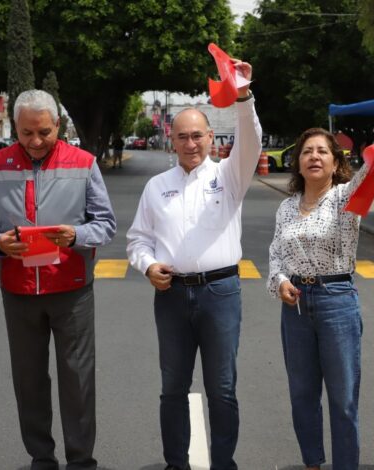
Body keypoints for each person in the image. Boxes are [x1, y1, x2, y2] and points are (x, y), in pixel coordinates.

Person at [126, 58, 260, 470]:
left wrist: (242, 95)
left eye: (197, 135)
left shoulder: (229, 176)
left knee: (222, 389)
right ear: (172, 140)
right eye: (182, 137)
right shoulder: (156, 187)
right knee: (172, 388)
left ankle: (224, 463)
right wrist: (148, 265)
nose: (190, 144)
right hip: (172, 295)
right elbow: (137, 239)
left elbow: (251, 140)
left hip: (221, 293)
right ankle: (175, 464)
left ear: (210, 138)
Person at [0, 89, 116, 470]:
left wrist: (76, 236)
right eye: (25, 133)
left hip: (71, 289)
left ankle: (81, 459)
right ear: (14, 129)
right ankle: (41, 456)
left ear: (58, 126)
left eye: (44, 132)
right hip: (18, 292)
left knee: (78, 379)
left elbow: (106, 224)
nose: (35, 142)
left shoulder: (84, 163)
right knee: (28, 379)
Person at [268, 127, 374, 470]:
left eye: (322, 152)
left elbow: (373, 168)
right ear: (298, 163)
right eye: (306, 152)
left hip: (337, 301)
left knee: (343, 399)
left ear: (335, 163)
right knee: (302, 396)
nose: (314, 157)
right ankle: (312, 464)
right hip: (296, 305)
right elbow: (275, 253)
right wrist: (280, 281)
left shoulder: (348, 197)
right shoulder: (286, 208)